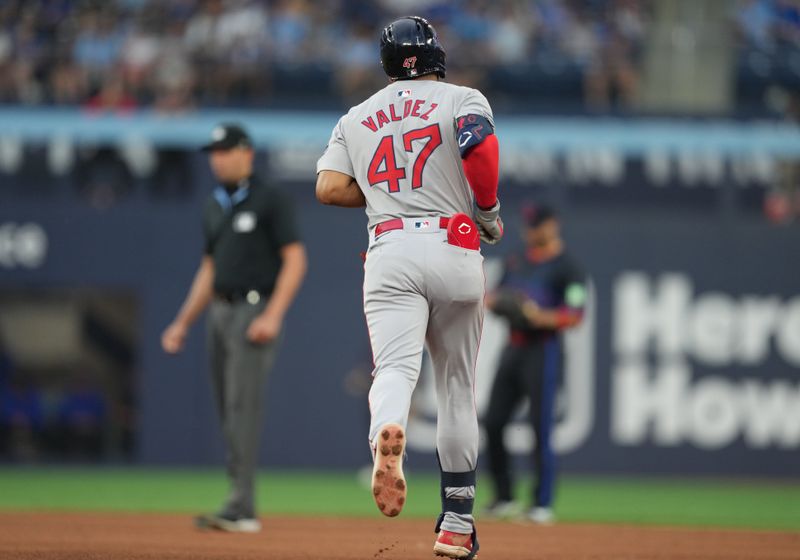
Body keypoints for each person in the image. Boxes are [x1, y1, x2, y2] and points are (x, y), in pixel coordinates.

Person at [315, 16, 502, 560]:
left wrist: (382, 198)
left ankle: (387, 430)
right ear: (437, 55)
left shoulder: (357, 117)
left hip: (390, 247)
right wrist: (487, 211)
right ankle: (456, 527)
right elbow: (481, 153)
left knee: (394, 370)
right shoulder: (462, 97)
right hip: (455, 242)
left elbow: (327, 187)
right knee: (456, 389)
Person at [161, 123, 307, 533]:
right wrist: (182, 322)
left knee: (243, 408)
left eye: (225, 150)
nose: (217, 158)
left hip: (253, 310)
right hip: (219, 312)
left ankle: (241, 507)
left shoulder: (270, 198)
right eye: (213, 151)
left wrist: (273, 314)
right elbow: (210, 270)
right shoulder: (214, 204)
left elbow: (295, 260)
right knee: (228, 408)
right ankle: (237, 500)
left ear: (246, 152)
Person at [483, 205, 587, 524]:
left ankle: (542, 503)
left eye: (537, 225)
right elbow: (492, 297)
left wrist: (538, 316)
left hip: (543, 350)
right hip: (513, 347)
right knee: (493, 421)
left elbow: (575, 315)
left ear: (553, 225)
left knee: (539, 427)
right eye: (528, 225)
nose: (530, 231)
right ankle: (504, 496)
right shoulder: (518, 259)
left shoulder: (568, 268)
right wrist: (503, 305)